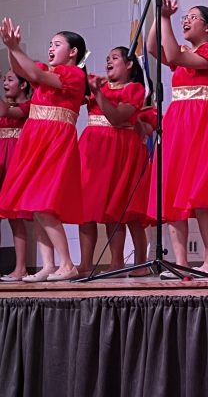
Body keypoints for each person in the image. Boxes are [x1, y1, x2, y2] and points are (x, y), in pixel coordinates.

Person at [147, 0, 208, 278]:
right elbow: (152, 48)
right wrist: (157, 15)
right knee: (173, 192)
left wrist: (166, 20)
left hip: (203, 123)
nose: (186, 20)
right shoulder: (186, 51)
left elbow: (171, 52)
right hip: (179, 123)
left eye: (193, 17)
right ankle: (181, 262)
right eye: (184, 17)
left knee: (204, 194)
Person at [0, 22, 87, 281]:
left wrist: (15, 47)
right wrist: (10, 48)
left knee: (44, 204)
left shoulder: (74, 75)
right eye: (50, 44)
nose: (51, 48)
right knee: (35, 206)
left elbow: (36, 78)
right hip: (35, 139)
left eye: (57, 44)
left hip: (55, 140)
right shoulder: (43, 70)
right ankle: (48, 265)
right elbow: (21, 70)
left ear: (73, 52)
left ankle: (67, 264)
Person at [77, 47, 151, 276]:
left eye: (115, 58)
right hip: (92, 149)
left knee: (117, 209)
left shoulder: (135, 89)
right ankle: (85, 264)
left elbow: (117, 118)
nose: (108, 61)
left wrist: (98, 93)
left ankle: (119, 263)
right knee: (85, 209)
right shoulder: (98, 86)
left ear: (129, 65)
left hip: (121, 150)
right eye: (107, 58)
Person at [0, 70, 32, 281]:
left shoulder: (28, 106)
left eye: (10, 79)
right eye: (3, 79)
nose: (4, 83)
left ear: (22, 85)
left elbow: (10, 114)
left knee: (15, 216)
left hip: (15, 156)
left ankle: (21, 268)